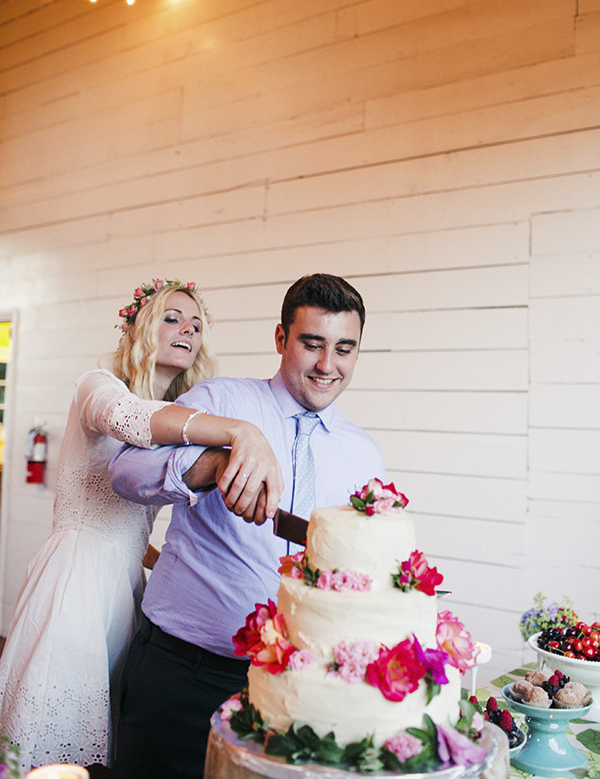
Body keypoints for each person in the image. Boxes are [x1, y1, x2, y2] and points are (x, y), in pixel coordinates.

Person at [0, 279, 282, 774]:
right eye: (172, 318)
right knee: (51, 741)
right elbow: (132, 416)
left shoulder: (176, 429)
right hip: (76, 580)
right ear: (139, 328)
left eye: (196, 325)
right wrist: (243, 431)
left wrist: (165, 558)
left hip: (127, 589)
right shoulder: (97, 386)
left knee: (106, 743)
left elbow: (131, 522)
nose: (187, 330)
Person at [110, 273, 386, 779]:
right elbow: (124, 473)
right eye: (312, 344)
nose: (329, 365)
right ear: (281, 339)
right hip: (182, 675)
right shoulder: (221, 402)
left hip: (293, 694)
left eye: (344, 349)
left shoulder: (364, 456)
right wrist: (210, 467)